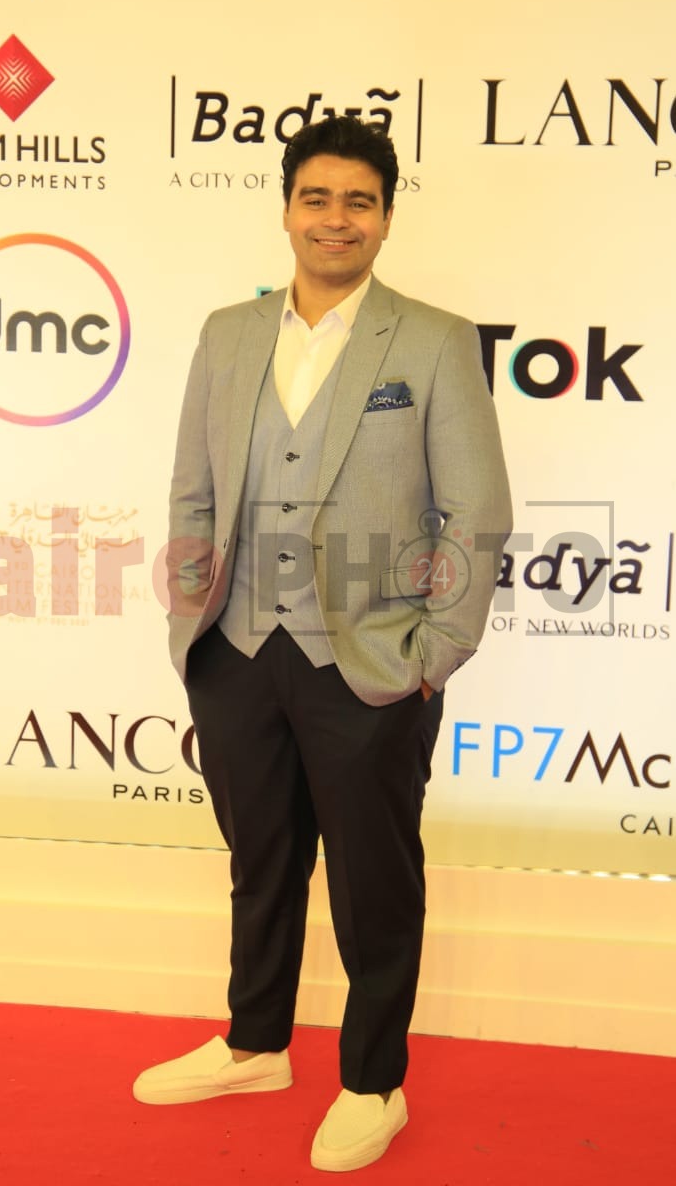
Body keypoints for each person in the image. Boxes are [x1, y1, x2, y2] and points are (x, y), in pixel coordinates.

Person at [133, 115, 512, 1173]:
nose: (335, 218)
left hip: (372, 661)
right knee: (260, 860)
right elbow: (193, 491)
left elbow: (475, 512)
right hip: (235, 650)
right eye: (317, 197)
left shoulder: (432, 340)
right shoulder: (227, 333)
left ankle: (373, 1080)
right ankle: (254, 1043)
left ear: (385, 217)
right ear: (287, 209)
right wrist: (191, 622)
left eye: (358, 201)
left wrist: (433, 653)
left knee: (372, 881)